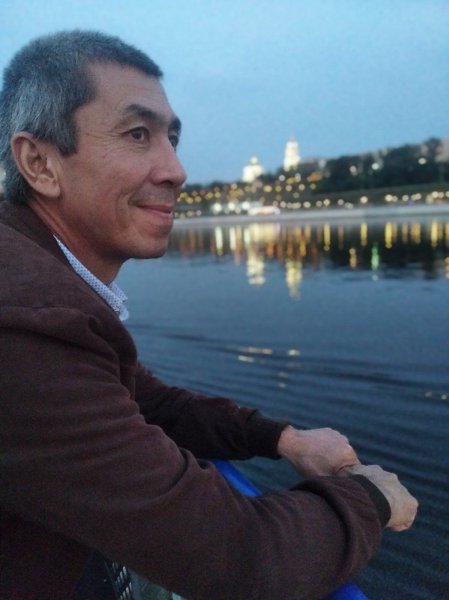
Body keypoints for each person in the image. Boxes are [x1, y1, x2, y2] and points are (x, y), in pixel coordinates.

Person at [0, 31, 417, 600]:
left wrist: (283, 439)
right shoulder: (27, 322)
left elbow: (147, 399)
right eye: (138, 134)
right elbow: (245, 558)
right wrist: (370, 499)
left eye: (172, 138)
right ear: (40, 163)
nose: (176, 170)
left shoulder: (41, 285)